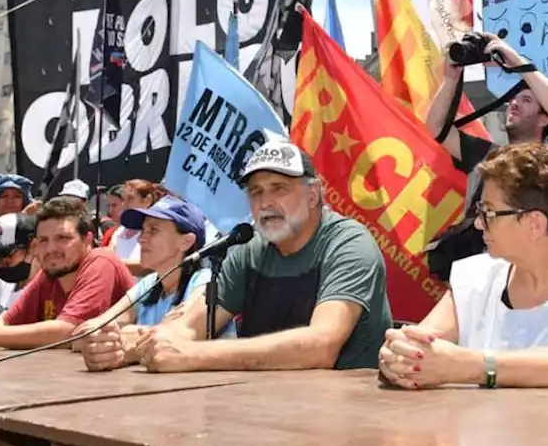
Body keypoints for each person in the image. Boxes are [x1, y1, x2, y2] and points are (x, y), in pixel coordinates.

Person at [79, 141, 391, 372]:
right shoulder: (248, 249)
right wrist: (122, 348)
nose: (265, 202)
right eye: (256, 192)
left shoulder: (349, 243)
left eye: (279, 188)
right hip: (259, 407)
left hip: (345, 417)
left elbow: (321, 346)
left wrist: (193, 354)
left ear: (313, 195)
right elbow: (190, 327)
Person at [380, 144, 548, 390]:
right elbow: (422, 347)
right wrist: (401, 353)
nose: (478, 224)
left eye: (487, 213)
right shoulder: (472, 277)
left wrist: (472, 366)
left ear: (534, 223)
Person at [425, 34, 548, 281]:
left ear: (544, 119)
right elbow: (435, 127)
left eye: (526, 100)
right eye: (512, 100)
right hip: (479, 279)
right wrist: (451, 78)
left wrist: (515, 61)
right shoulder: (486, 156)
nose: (514, 105)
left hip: (529, 278)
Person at [0, 197, 132, 349]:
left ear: (87, 240)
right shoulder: (50, 273)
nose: (50, 249)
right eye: (43, 240)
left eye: (63, 238)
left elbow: (66, 331)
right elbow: (5, 323)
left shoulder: (101, 261)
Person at [74, 196, 220, 346]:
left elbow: (174, 335)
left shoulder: (205, 282)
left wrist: (125, 333)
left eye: (154, 230)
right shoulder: (148, 284)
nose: (141, 239)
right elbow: (91, 330)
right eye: (143, 230)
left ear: (186, 242)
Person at [0, 212, 39, 321]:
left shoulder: (45, 289)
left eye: (7, 254)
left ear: (33, 246)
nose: (1, 263)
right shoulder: (4, 283)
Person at [105, 179, 168, 276]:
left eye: (130, 199)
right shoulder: (120, 230)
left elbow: (150, 267)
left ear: (147, 200)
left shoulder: (157, 231)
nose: (125, 205)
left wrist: (113, 264)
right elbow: (108, 255)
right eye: (124, 199)